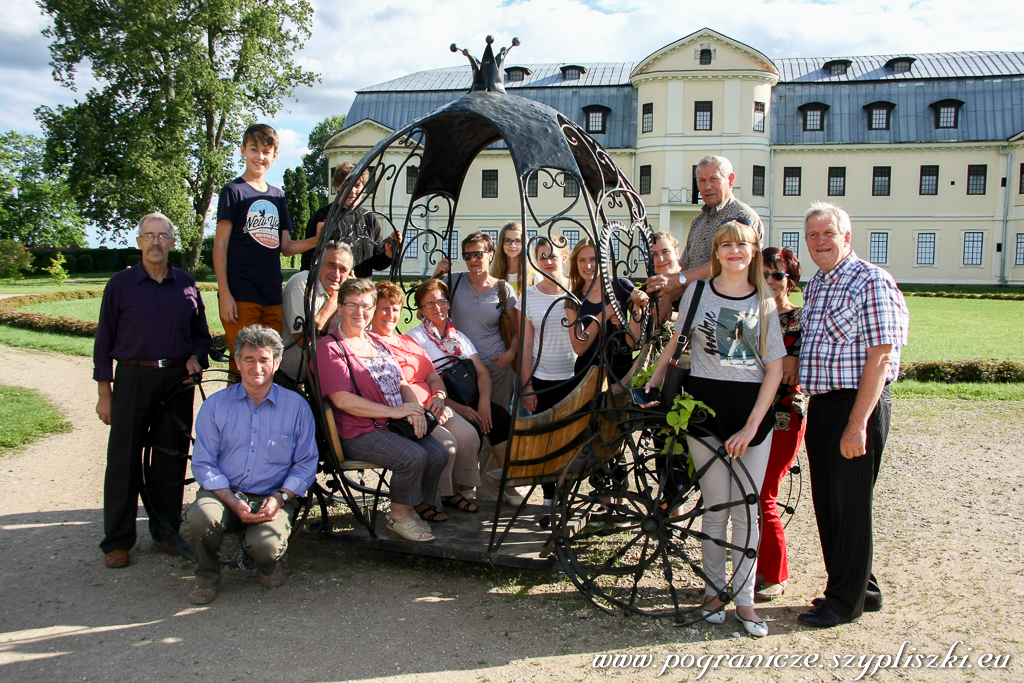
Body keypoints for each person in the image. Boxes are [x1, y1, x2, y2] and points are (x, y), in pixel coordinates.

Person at [646, 221, 785, 637]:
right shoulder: (699, 291)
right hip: (704, 408)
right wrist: (652, 382)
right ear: (717, 252)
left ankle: (744, 601)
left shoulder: (765, 299)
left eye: (742, 245)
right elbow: (675, 342)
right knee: (716, 506)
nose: (734, 251)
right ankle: (713, 593)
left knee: (746, 508)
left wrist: (751, 426)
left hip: (749, 414)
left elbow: (775, 368)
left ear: (753, 251)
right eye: (726, 245)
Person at [796, 202, 909, 628]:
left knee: (850, 504)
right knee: (828, 502)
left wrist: (858, 423)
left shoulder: (872, 281)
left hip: (857, 403)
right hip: (823, 404)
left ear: (846, 236)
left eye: (828, 233)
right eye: (812, 235)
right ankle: (861, 587)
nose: (820, 241)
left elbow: (881, 356)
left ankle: (844, 603)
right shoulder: (819, 284)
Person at [93, 213, 212, 569]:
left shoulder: (186, 284)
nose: (156, 242)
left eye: (163, 236)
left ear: (173, 242)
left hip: (176, 380)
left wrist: (196, 358)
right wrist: (105, 391)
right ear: (139, 241)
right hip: (133, 379)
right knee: (123, 460)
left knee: (169, 459)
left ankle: (165, 531)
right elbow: (104, 342)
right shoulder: (121, 285)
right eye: (149, 236)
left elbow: (201, 336)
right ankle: (116, 541)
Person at [185, 325, 318, 604]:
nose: (256, 367)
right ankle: (206, 578)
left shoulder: (296, 407)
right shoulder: (215, 407)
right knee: (200, 518)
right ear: (237, 361)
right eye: (249, 359)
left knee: (265, 546)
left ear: (277, 362)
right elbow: (204, 462)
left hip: (273, 496)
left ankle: (268, 564)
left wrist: (280, 498)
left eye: (264, 360)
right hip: (224, 494)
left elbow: (306, 464)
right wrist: (231, 501)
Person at [318, 278, 449, 541]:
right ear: (340, 308)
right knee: (412, 456)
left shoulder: (376, 343)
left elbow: (401, 380)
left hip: (390, 425)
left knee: (437, 452)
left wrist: (413, 410)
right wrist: (395, 412)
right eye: (352, 305)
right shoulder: (330, 348)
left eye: (367, 306)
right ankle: (398, 517)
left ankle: (410, 508)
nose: (360, 312)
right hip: (358, 430)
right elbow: (342, 400)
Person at [214, 123, 320, 368]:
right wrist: (225, 294)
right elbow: (220, 244)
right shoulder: (233, 191)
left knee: (270, 363)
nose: (259, 157)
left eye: (265, 151)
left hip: (271, 294)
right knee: (244, 365)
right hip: (240, 293)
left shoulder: (277, 195)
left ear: (274, 155)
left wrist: (316, 241)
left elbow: (285, 246)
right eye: (253, 149)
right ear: (243, 150)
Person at [407, 279, 520, 506]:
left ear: (448, 304)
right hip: (441, 399)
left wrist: (485, 403)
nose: (437, 308)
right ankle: (461, 487)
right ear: (421, 311)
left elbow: (482, 373)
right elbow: (422, 381)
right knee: (470, 429)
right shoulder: (416, 338)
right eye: (429, 304)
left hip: (470, 396)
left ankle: (507, 484)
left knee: (499, 418)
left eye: (441, 301)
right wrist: (459, 408)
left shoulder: (459, 336)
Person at [371, 280, 481, 514]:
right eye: (384, 308)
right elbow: (396, 383)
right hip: (408, 410)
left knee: (470, 436)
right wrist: (425, 410)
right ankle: (426, 498)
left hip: (433, 403)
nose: (391, 315)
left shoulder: (406, 341)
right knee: (448, 443)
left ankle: (454, 490)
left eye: (396, 309)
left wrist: (440, 396)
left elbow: (431, 374)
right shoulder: (372, 344)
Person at [755, 246, 808, 602]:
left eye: (778, 275)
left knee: (764, 494)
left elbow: (799, 372)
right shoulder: (751, 316)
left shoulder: (802, 320)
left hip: (784, 417)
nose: (771, 282)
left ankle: (775, 573)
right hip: (748, 415)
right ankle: (751, 567)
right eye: (764, 275)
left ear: (790, 280)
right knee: (744, 495)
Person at [645, 155, 764, 305]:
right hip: (695, 309)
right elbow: (687, 268)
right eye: (702, 181)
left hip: (729, 309)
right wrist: (668, 298)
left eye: (714, 179)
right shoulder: (698, 222)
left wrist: (679, 279)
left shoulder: (743, 217)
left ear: (731, 180)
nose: (707, 187)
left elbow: (726, 262)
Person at [517, 237, 579, 508]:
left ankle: (569, 493)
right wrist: (527, 386)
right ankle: (550, 497)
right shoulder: (529, 296)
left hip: (576, 377)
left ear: (564, 258)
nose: (548, 260)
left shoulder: (578, 290)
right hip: (543, 379)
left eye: (554, 255)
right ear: (535, 260)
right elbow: (526, 345)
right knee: (546, 440)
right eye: (543, 256)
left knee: (572, 438)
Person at [433, 232, 520, 409]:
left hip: (496, 366)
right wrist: (436, 276)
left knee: (497, 418)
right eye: (467, 255)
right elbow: (424, 310)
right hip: (461, 367)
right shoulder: (453, 281)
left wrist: (510, 354)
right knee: (470, 418)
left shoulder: (503, 289)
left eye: (478, 254)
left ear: (491, 254)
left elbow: (517, 330)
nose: (473, 259)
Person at [565, 237, 647, 383]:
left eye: (593, 259)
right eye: (582, 260)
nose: (588, 265)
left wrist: (632, 310)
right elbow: (579, 348)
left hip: (620, 366)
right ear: (575, 264)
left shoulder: (621, 286)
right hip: (588, 369)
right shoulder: (573, 298)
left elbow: (636, 340)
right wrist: (603, 316)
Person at [278, 241, 354, 386]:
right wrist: (334, 301)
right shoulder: (302, 283)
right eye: (331, 266)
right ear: (317, 265)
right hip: (287, 380)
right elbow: (303, 341)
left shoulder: (346, 294)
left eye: (343, 269)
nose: (336, 274)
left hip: (323, 380)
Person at [312, 161, 401, 278]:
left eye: (357, 185)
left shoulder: (369, 218)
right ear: (337, 186)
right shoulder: (323, 217)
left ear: (364, 188)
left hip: (362, 291)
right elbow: (310, 260)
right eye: (346, 184)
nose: (352, 190)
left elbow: (376, 263)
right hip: (332, 291)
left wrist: (388, 254)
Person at [489, 221, 540, 292]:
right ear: (501, 244)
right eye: (507, 240)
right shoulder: (493, 276)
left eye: (518, 241)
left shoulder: (535, 277)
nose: (513, 245)